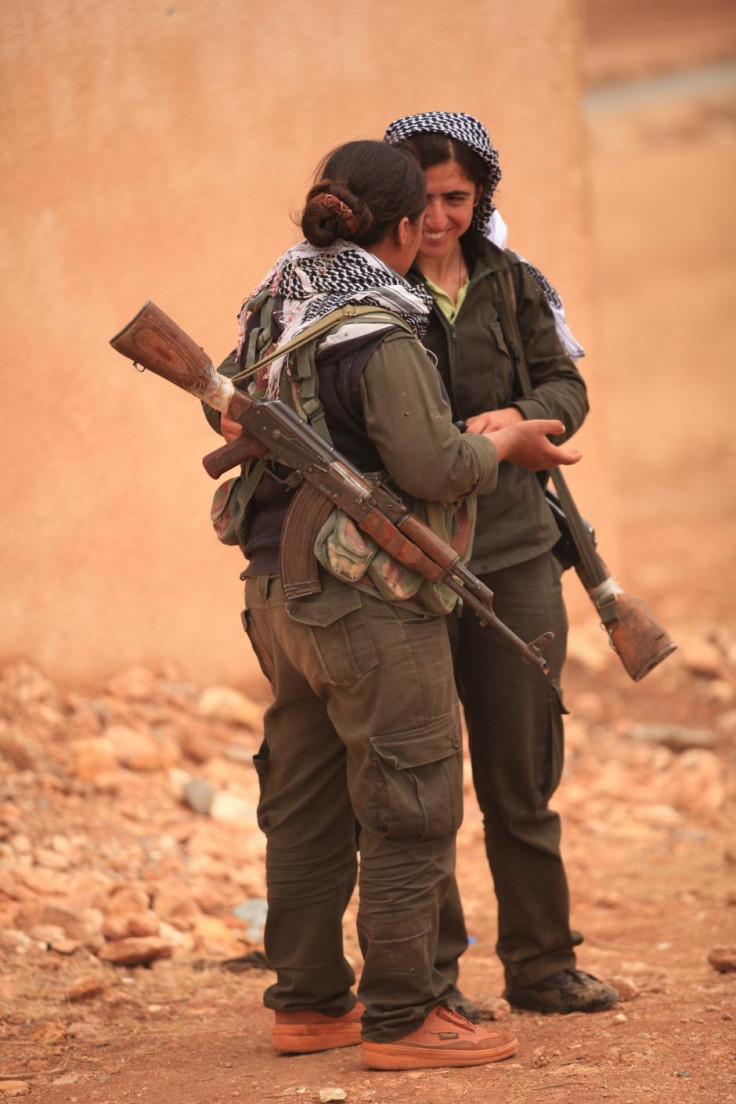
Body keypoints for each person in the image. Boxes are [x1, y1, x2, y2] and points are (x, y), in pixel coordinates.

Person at [204, 139, 581, 1068]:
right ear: (405, 227)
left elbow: (223, 406)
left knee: (305, 801)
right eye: (428, 215)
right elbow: (433, 465)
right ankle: (406, 1016)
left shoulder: (279, 299)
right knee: (411, 800)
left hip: (277, 594)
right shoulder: (378, 321)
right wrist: (507, 443)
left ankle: (310, 1005)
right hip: (364, 603)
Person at [384, 111, 619, 1014]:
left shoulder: (512, 282)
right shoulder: (362, 288)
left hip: (518, 550)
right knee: (424, 784)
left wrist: (518, 421)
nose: (438, 216)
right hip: (404, 560)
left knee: (522, 777)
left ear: (480, 198)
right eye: (423, 198)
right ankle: (435, 985)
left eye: (456, 197)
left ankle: (543, 965)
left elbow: (569, 387)